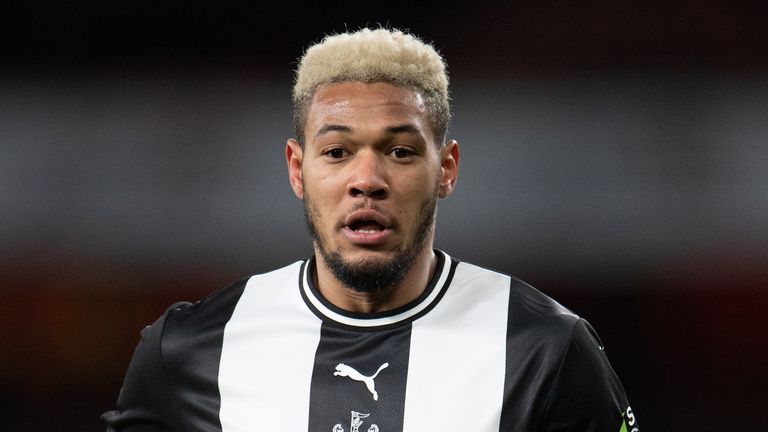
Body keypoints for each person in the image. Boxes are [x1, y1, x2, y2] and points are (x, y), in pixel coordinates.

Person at [103, 27, 639, 432]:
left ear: (446, 169)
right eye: (336, 152)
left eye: (400, 152)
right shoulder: (190, 352)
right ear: (297, 169)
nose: (367, 180)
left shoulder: (542, 349)